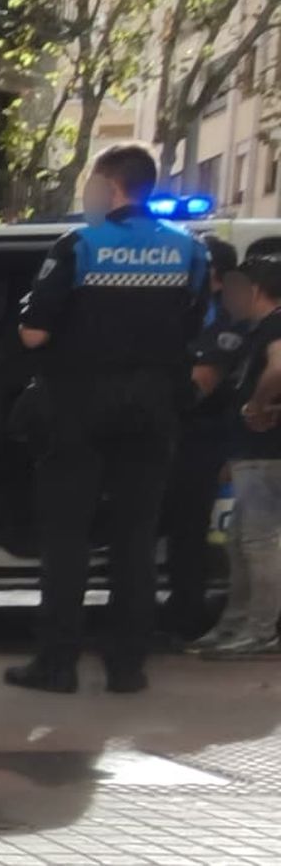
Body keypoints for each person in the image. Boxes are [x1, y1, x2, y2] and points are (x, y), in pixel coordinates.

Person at [5, 143, 209, 694]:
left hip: (78, 406)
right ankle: (127, 667)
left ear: (109, 186)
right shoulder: (189, 250)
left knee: (67, 537)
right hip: (153, 407)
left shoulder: (81, 243)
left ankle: (56, 663)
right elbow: (197, 325)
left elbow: (34, 332)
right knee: (136, 539)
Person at [160, 235, 244, 641]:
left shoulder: (229, 323)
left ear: (215, 276)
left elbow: (202, 383)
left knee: (187, 534)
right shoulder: (187, 312)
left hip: (201, 440)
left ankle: (184, 619)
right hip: (170, 438)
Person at [200, 255, 281, 657]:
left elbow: (279, 367)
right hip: (252, 453)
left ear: (255, 290)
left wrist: (256, 405)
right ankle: (236, 623)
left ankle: (261, 631)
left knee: (259, 542)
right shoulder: (257, 329)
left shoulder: (274, 325)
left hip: (267, 452)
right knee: (240, 542)